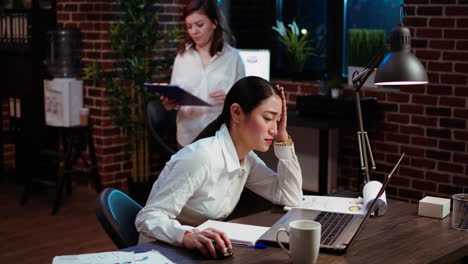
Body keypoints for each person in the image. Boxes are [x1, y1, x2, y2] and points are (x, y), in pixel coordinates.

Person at [135, 76, 303, 259]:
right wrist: (185, 235)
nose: (274, 129)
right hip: (160, 254)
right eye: (268, 118)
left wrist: (283, 138)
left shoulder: (247, 160)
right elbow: (148, 218)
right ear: (237, 112)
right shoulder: (200, 157)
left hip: (196, 255)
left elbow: (290, 197)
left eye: (278, 121)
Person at [162, 0, 245, 147]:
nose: (194, 31)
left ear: (214, 23)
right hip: (188, 138)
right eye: (189, 26)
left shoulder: (233, 58)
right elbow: (174, 100)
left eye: (199, 25)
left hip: (221, 138)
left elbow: (245, 103)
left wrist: (231, 99)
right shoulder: (182, 57)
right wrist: (169, 102)